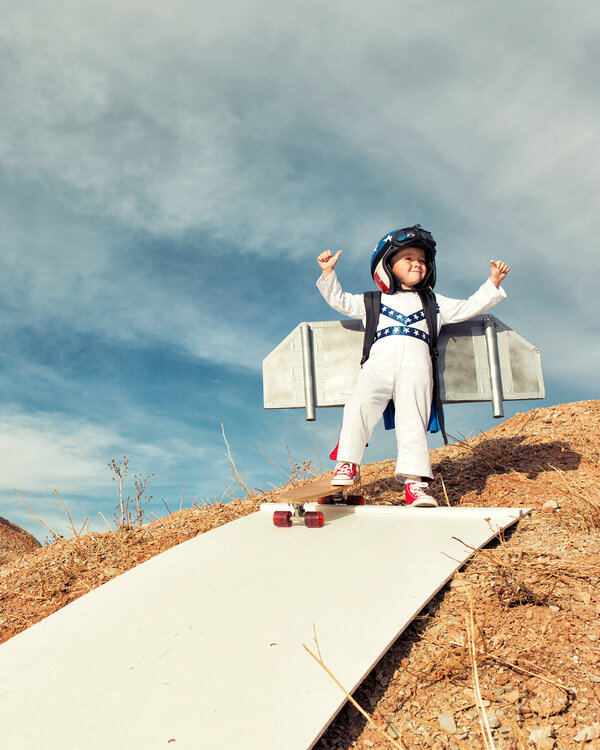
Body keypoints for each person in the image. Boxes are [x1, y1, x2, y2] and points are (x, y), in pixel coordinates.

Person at [316, 224, 509, 507]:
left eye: (421, 260)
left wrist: (492, 283)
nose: (417, 264)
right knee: (359, 405)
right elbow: (340, 301)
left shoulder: (433, 303)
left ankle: (414, 485)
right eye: (408, 258)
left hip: (417, 367)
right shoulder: (373, 301)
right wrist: (327, 273)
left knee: (413, 419)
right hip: (378, 364)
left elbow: (469, 306)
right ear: (388, 266)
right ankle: (347, 463)